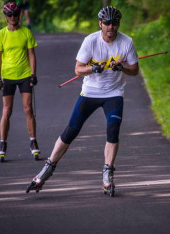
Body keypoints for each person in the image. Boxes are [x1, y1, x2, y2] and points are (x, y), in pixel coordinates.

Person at [27, 6, 139, 196]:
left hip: (114, 93)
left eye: (115, 23)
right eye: (107, 23)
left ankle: (107, 174)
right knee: (71, 130)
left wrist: (122, 68)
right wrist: (93, 68)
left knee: (113, 130)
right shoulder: (91, 41)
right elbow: (78, 69)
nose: (111, 27)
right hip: (90, 92)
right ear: (100, 24)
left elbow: (134, 70)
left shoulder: (126, 42)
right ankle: (46, 170)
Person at [0, 2, 40, 162]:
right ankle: (2, 143)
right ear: (6, 17)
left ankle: (33, 142)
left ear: (20, 15)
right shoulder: (1, 35)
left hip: (25, 75)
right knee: (7, 111)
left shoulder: (26, 33)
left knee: (28, 109)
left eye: (16, 14)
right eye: (10, 15)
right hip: (8, 77)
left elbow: (32, 54)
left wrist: (33, 74)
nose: (13, 17)